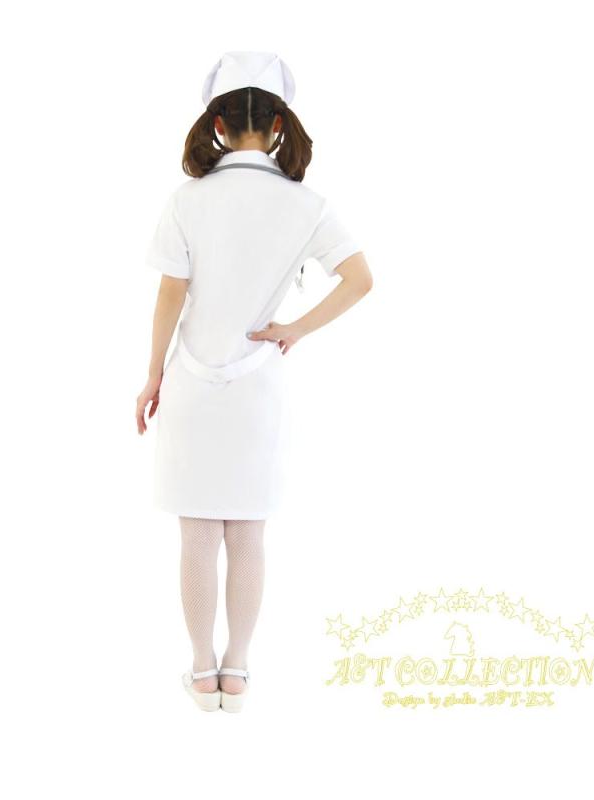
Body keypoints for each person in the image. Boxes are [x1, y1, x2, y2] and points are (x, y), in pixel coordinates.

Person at [136, 52, 373, 712]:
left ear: (217, 124)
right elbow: (360, 279)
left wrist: (151, 375)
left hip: (191, 385)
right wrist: (294, 328)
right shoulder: (306, 205)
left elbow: (169, 296)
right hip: (257, 389)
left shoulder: (187, 199)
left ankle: (201, 671)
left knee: (196, 535)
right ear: (277, 126)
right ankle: (237, 672)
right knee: (247, 535)